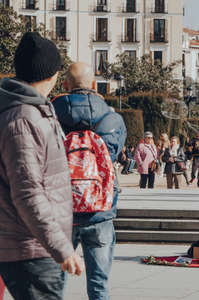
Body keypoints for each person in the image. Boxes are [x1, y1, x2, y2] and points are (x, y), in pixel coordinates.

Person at [0, 32, 84, 300]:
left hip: (38, 247)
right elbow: (28, 193)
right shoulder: (23, 119)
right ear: (53, 74)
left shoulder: (34, 111)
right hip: (31, 249)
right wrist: (61, 247)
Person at [52, 61, 126, 300]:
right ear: (94, 85)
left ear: (65, 85)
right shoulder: (113, 120)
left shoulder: (51, 113)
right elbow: (112, 158)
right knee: (99, 285)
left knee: (53, 286)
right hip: (100, 210)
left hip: (62, 211)